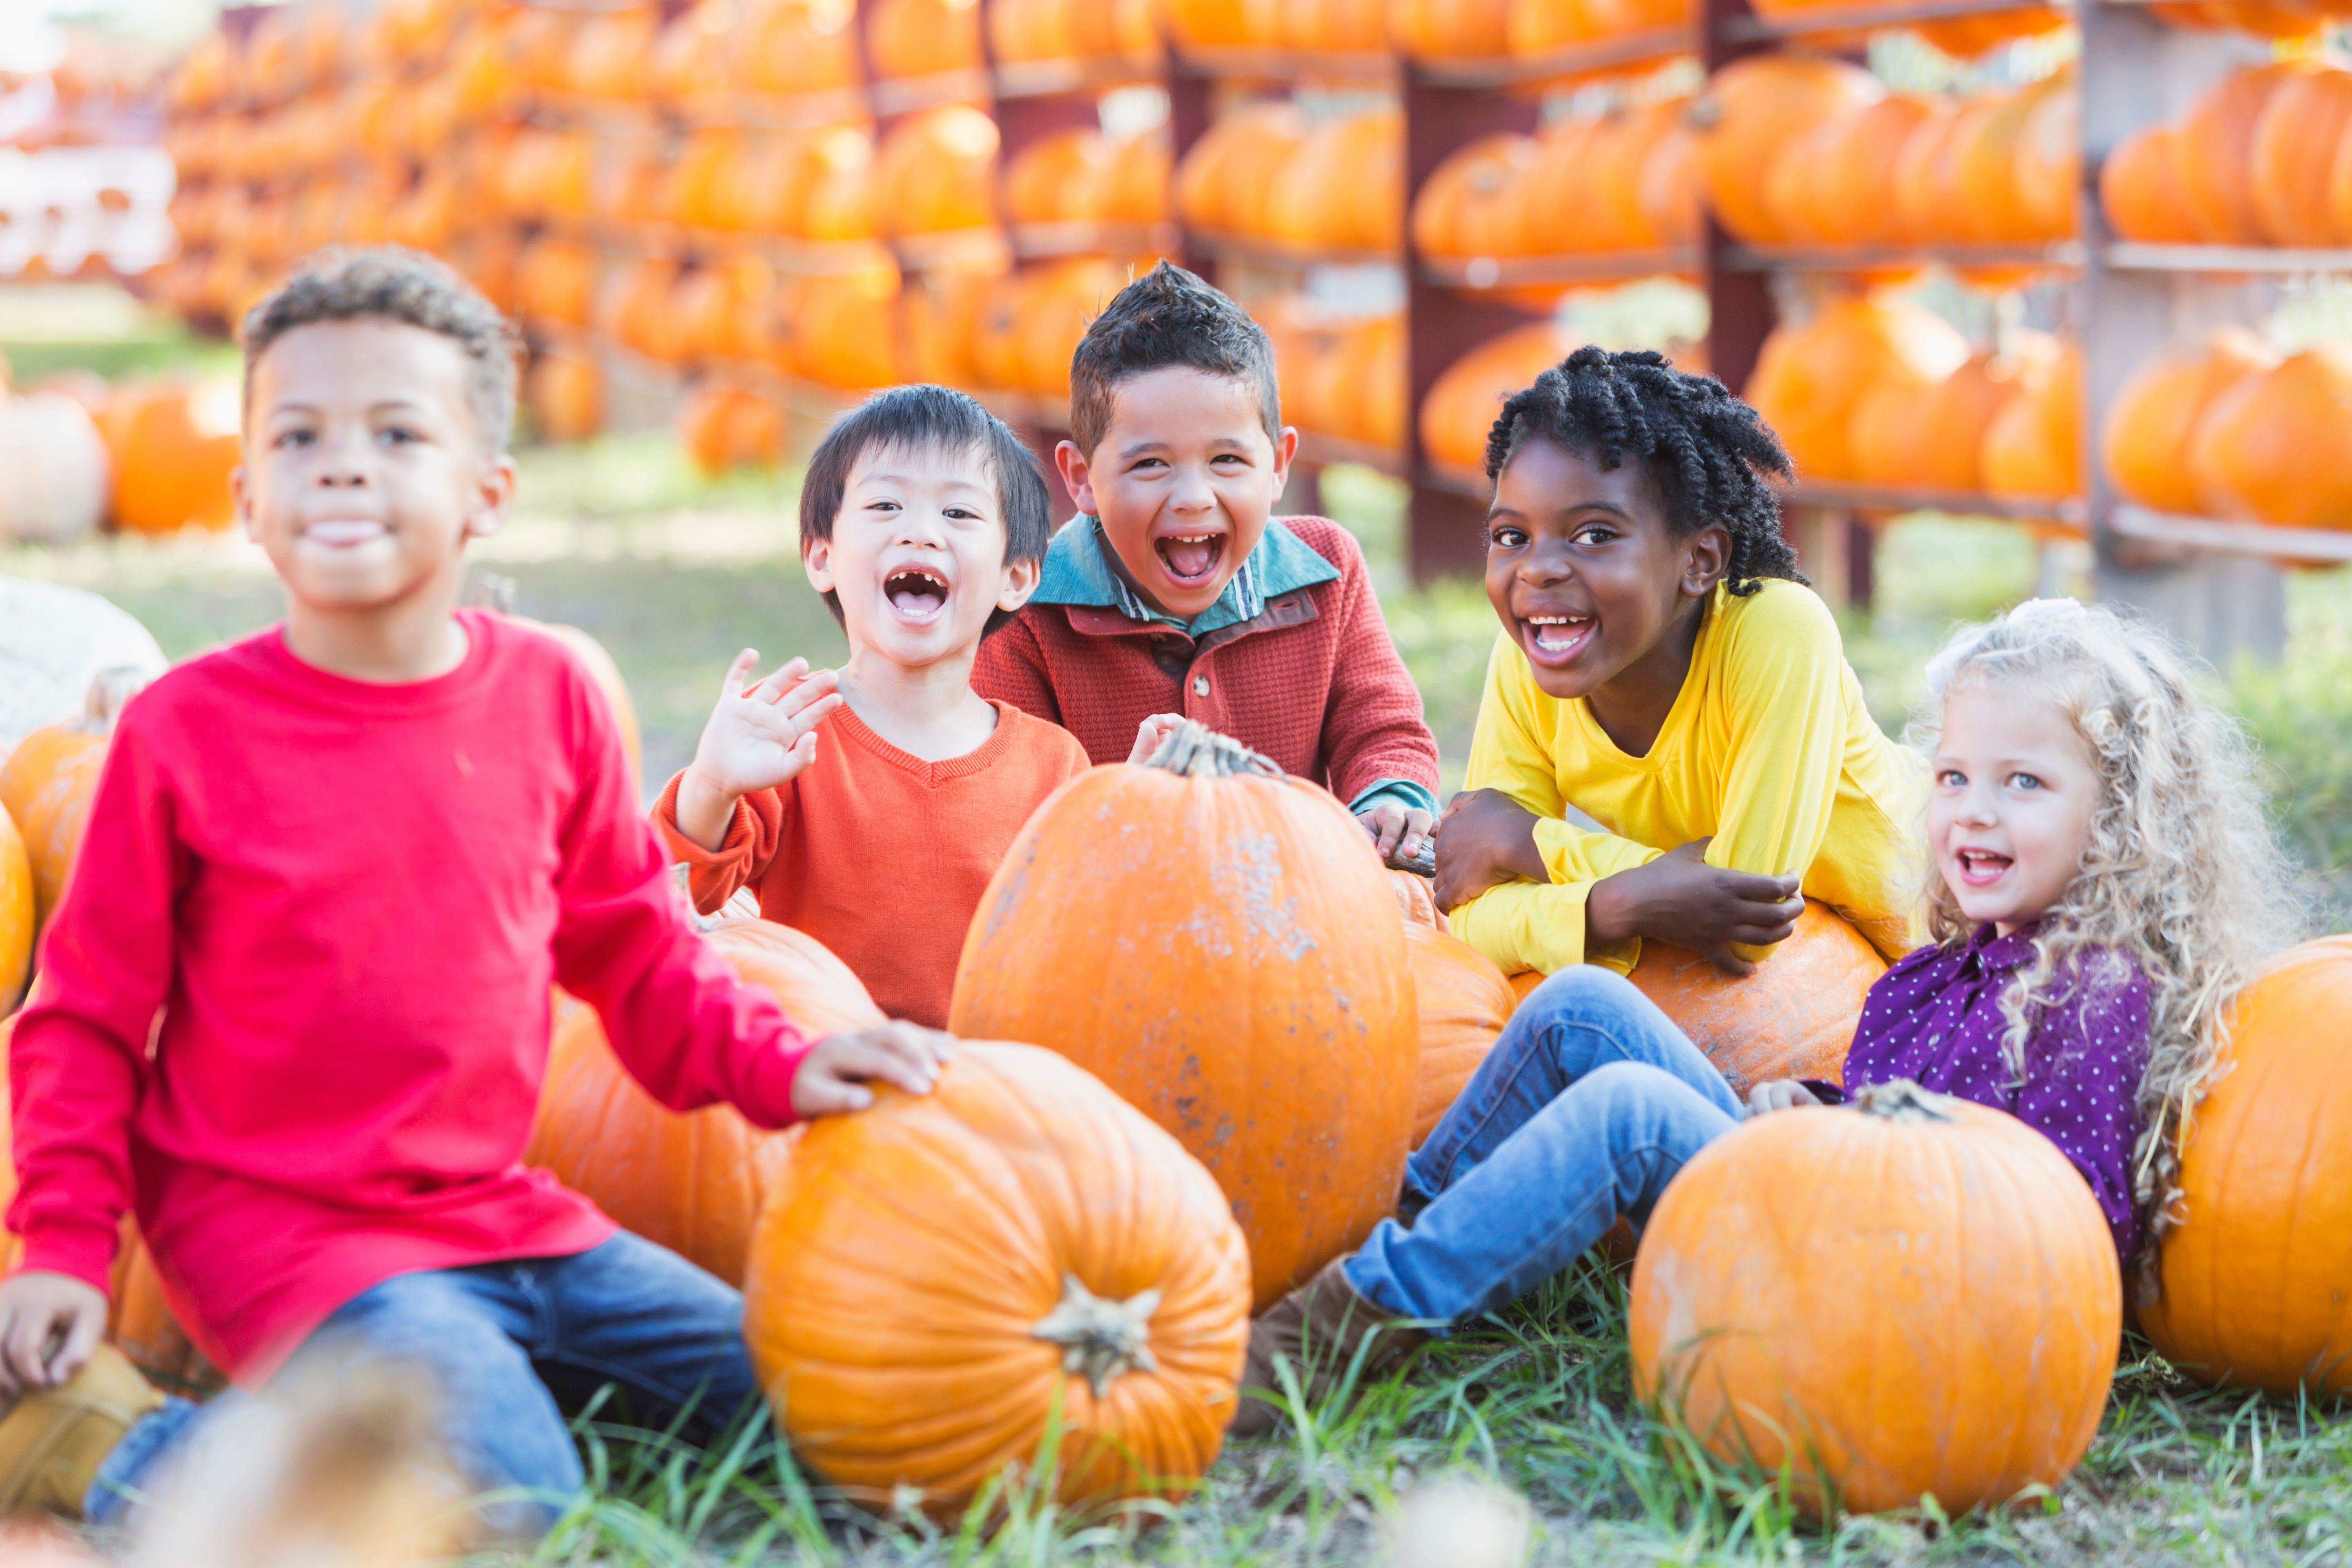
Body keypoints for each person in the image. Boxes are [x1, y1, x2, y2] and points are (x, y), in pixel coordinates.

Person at [0, 249, 951, 1532]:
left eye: (397, 433)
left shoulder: (548, 700)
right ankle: (117, 1445)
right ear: (247, 493)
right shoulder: (184, 735)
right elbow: (85, 1021)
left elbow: (640, 957)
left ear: (488, 491)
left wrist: (784, 1067)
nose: (344, 466)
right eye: (300, 435)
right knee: (515, 1503)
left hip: (501, 1213)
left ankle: (472, 1375)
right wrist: (63, 1249)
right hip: (279, 1235)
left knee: (831, 1414)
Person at [1233, 598, 2293, 1434]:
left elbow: (2073, 1225)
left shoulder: (2092, 996)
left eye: (2024, 783)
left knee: (1632, 1114)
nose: (1974, 809)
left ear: (2117, 818)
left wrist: (1871, 1151)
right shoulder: (1935, 974)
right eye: (1956, 776)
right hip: (1834, 1213)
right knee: (1581, 1006)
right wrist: (1814, 1107)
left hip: (1908, 1307)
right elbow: (1875, 1106)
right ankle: (1381, 1227)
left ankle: (1332, 1337)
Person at [1433, 345, 1920, 979]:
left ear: (1700, 560)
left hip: (1953, 949)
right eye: (1512, 537)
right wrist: (1616, 904)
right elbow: (1470, 918)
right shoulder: (1530, 655)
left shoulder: (1779, 630)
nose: (1538, 570)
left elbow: (1746, 913)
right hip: (1800, 976)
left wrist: (1523, 841)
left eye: (1594, 535)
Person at [972, 261, 1442, 866]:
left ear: (1277, 465)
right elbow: (1015, 817)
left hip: (1300, 894)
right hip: (1113, 904)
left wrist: (1388, 798)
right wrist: (1124, 811)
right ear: (1082, 478)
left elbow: (1381, 729)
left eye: (1226, 460)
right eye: (1150, 464)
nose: (1194, 497)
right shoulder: (1023, 611)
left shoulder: (1328, 569)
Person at [653, 385, 1093, 1029]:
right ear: (822, 557)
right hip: (829, 1067)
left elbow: (1083, 946)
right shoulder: (789, 733)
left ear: (1017, 577)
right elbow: (685, 894)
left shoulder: (1053, 766)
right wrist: (713, 787)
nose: (920, 532)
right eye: (886, 505)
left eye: (959, 513)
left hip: (993, 1077)